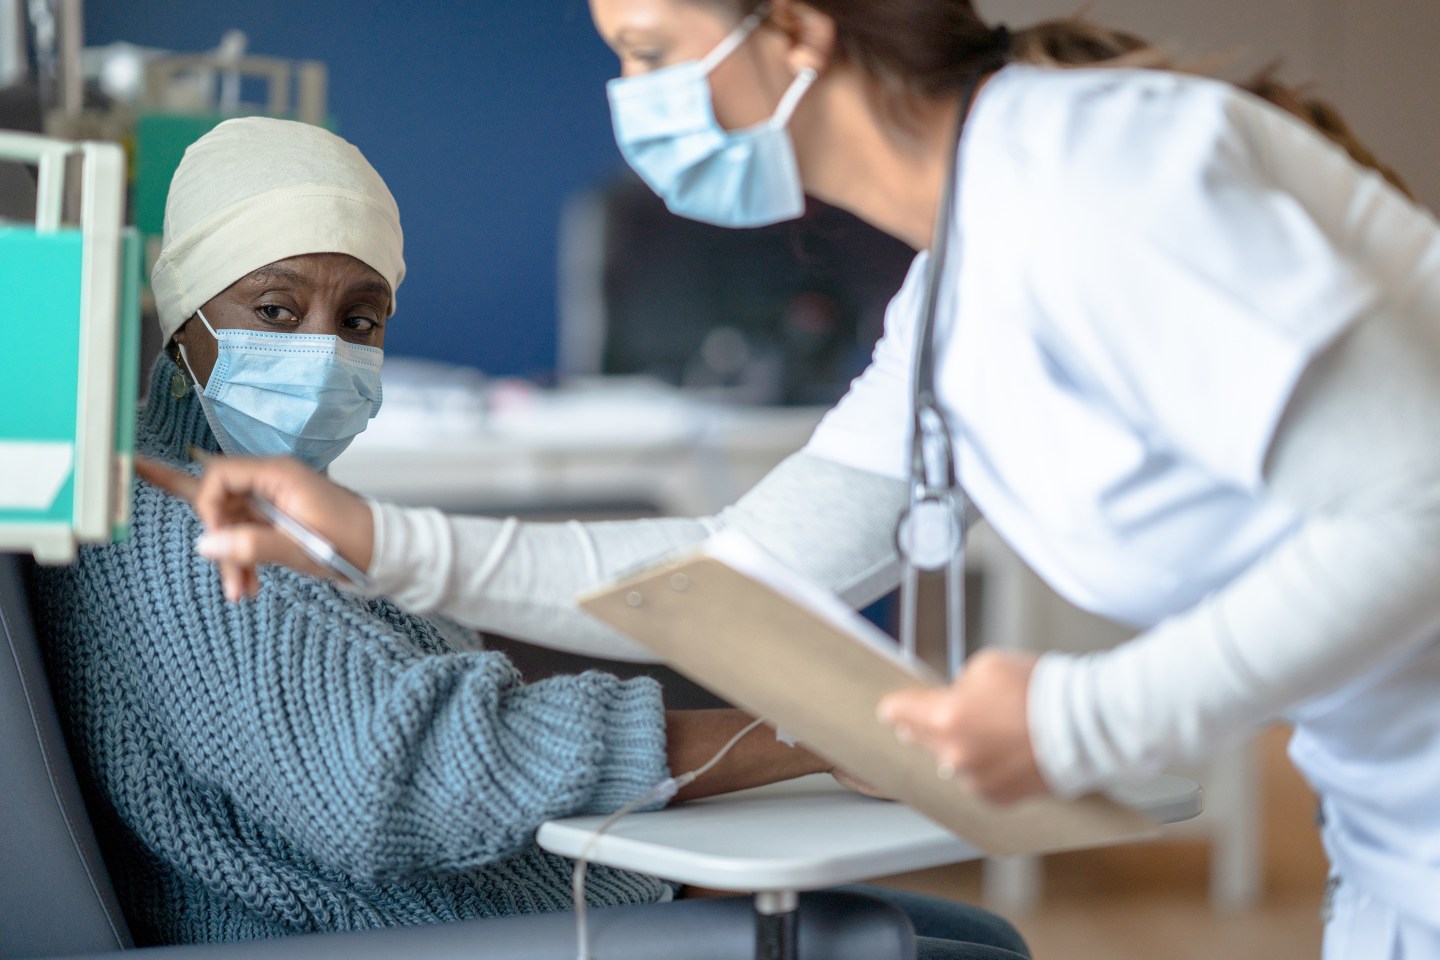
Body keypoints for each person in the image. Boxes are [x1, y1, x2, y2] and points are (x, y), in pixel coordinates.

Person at [143, 2, 1440, 957]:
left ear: (797, 36)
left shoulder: (1099, 174)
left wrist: (1071, 725)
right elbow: (734, 565)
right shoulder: (959, 280)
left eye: (648, 54)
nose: (632, 99)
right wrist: (385, 537)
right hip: (1389, 840)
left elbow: (1422, 511)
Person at [36, 114, 1029, 957]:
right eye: (275, 308)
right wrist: (805, 737)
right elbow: (416, 777)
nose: (320, 352)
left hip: (507, 899)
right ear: (183, 314)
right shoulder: (178, 538)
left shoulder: (273, 515)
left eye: (361, 320)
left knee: (960, 934)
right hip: (395, 931)